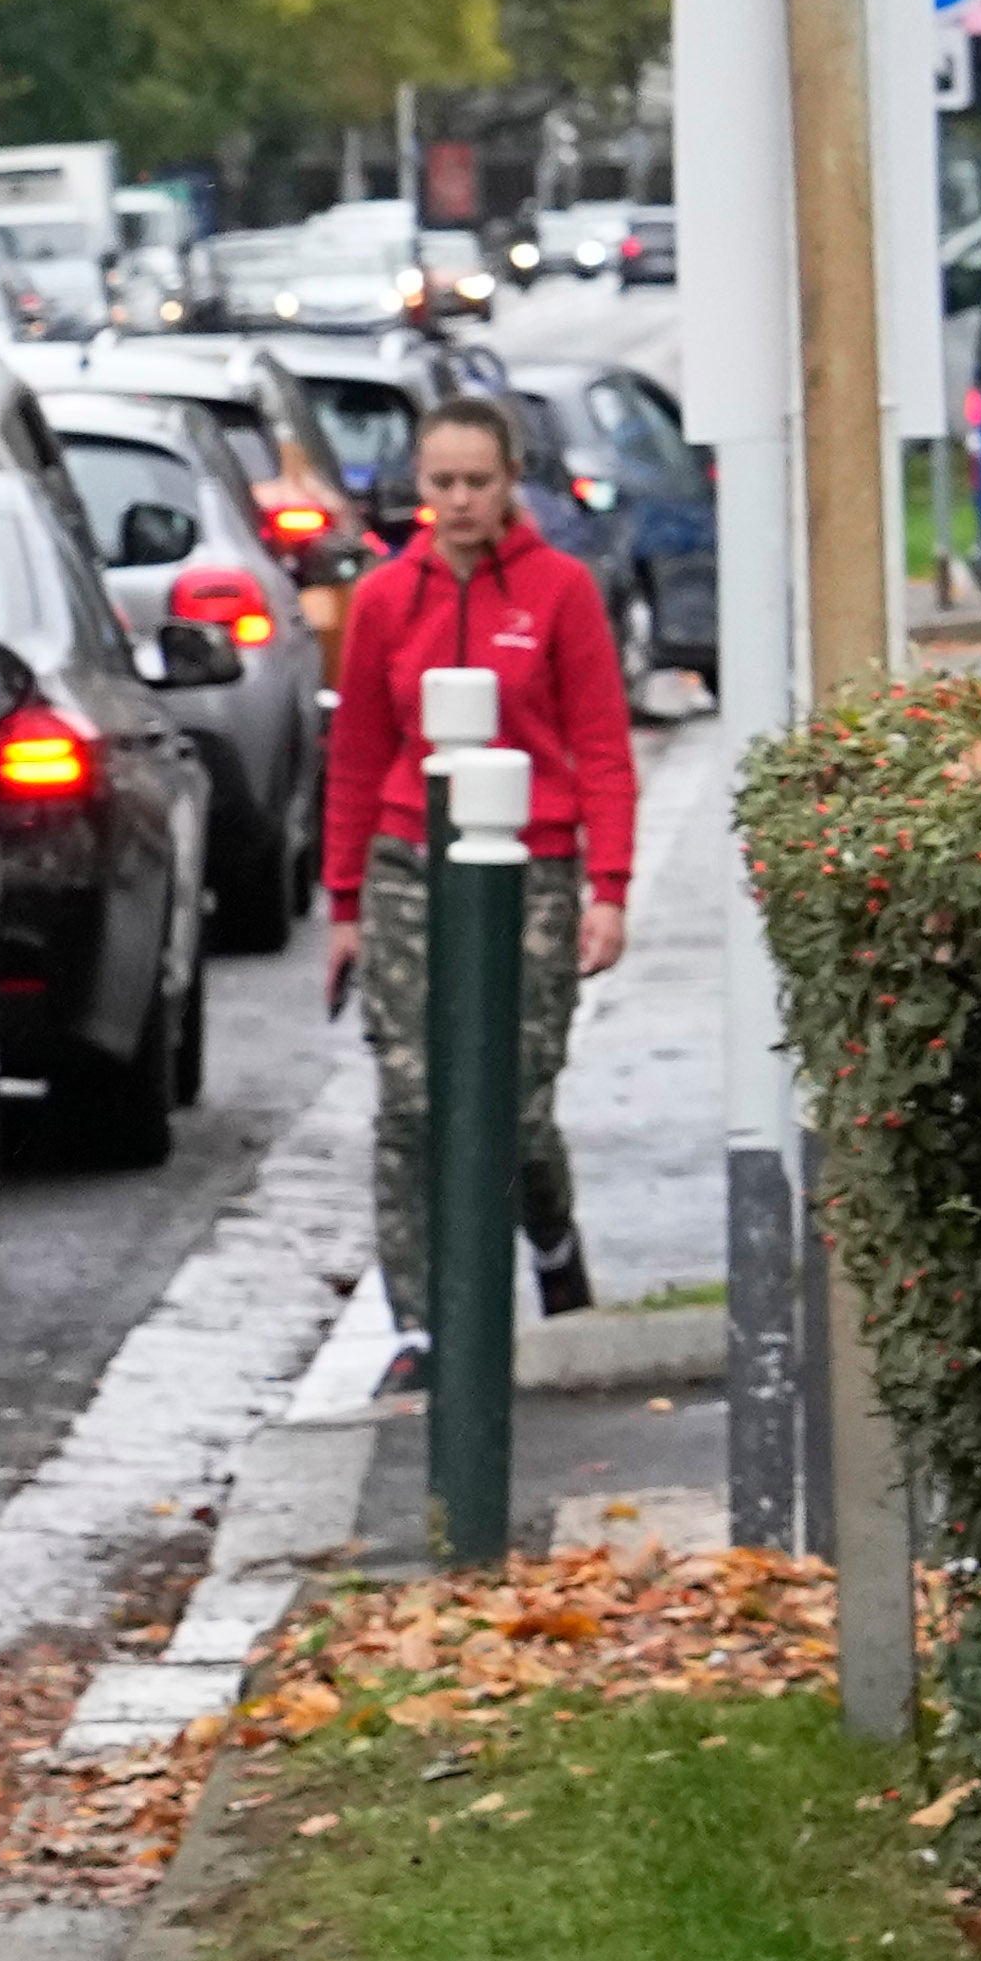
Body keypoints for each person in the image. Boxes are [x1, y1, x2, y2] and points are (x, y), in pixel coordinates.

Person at [318, 389, 641, 1374]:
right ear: (419, 485)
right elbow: (357, 753)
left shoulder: (561, 592)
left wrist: (611, 887)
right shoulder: (385, 598)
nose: (459, 502)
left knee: (514, 1099)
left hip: (533, 861)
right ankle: (420, 1327)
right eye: (441, 483)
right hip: (411, 857)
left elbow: (600, 745)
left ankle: (551, 1237)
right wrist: (344, 909)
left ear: (509, 486)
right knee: (411, 1097)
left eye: (478, 483)